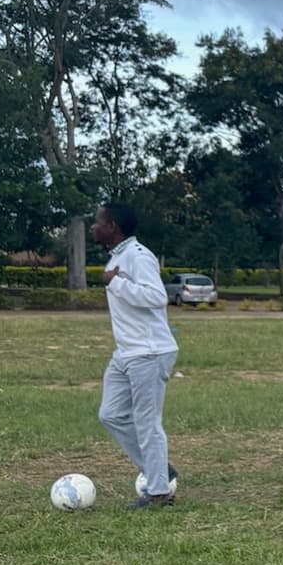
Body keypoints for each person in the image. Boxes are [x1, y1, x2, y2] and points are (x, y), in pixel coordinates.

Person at [91, 202, 180, 509]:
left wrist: (116, 283)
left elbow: (157, 297)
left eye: (97, 222)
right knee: (111, 414)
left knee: (147, 422)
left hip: (149, 351)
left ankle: (158, 492)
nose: (93, 227)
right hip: (127, 351)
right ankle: (159, 468)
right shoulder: (118, 256)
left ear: (112, 226)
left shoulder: (138, 256)